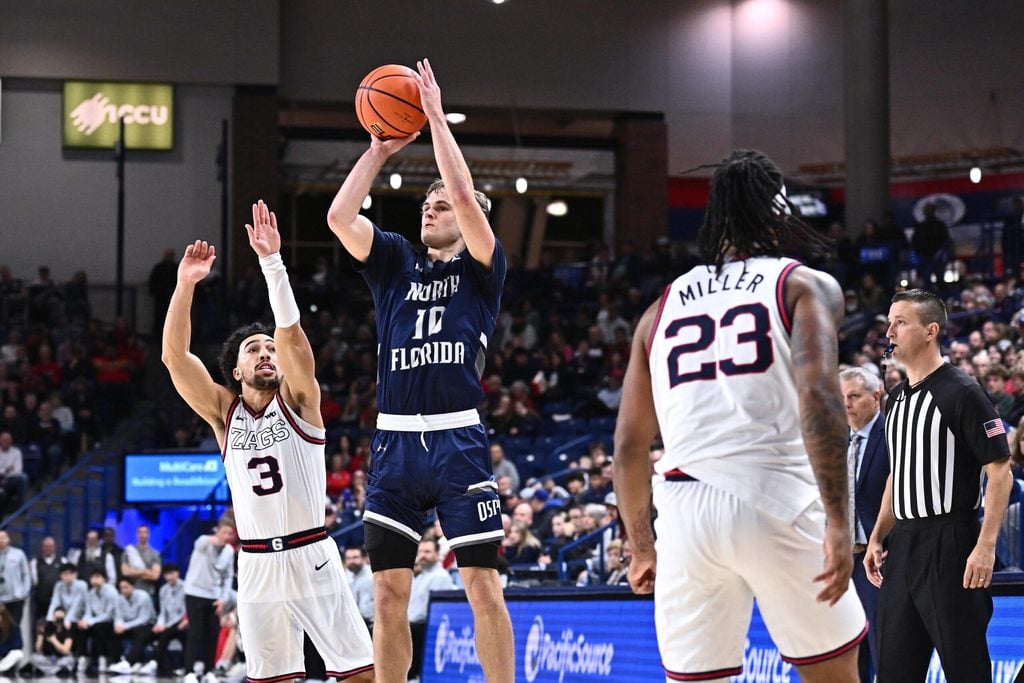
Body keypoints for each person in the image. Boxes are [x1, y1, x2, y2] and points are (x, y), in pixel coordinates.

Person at [614, 149, 866, 682]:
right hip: (774, 499)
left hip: (684, 514)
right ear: (778, 214)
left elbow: (630, 447)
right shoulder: (803, 285)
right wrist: (840, 523)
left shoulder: (658, 310)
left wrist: (642, 548)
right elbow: (820, 400)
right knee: (833, 672)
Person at [326, 59, 512, 683]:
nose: (430, 210)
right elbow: (340, 217)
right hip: (395, 441)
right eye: (426, 204)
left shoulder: (483, 268)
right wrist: (377, 151)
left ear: (468, 220)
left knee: (483, 585)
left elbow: (463, 192)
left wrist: (434, 116)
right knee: (387, 597)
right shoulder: (396, 263)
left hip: (458, 437)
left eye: (440, 205)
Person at [161, 201, 374, 683]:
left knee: (360, 672)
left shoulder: (300, 401)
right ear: (235, 371)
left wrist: (272, 263)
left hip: (310, 553)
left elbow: (293, 337)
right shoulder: (224, 412)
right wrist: (185, 284)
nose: (266, 353)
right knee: (271, 679)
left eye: (269, 349)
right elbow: (175, 358)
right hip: (255, 562)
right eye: (253, 349)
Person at [865, 289, 1015, 681]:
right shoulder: (896, 399)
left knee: (965, 667)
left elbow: (1001, 472)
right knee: (895, 669)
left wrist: (985, 545)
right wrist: (879, 535)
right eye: (889, 322)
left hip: (952, 540)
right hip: (904, 543)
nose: (890, 331)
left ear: (931, 330)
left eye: (900, 322)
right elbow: (898, 474)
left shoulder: (962, 391)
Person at [838, 367, 890, 683]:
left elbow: (899, 493)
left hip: (881, 559)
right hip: (846, 561)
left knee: (883, 649)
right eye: (841, 397)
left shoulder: (893, 436)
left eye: (854, 396)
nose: (846, 404)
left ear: (876, 396)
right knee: (850, 651)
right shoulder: (836, 440)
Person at [180, 523, 234, 680]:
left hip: (214, 597)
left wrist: (224, 598)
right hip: (195, 592)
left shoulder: (229, 551)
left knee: (212, 634)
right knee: (195, 633)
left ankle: (208, 670)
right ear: (217, 531)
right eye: (224, 532)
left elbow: (228, 576)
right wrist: (215, 540)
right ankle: (189, 671)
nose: (227, 536)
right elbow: (200, 543)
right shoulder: (204, 542)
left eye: (230, 534)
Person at [406, 538, 455, 680]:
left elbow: (437, 613)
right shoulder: (419, 577)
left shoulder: (440, 577)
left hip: (425, 628)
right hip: (414, 625)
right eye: (420, 552)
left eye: (427, 552)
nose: (422, 555)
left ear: (437, 554)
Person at [108, 577, 156, 675]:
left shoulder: (143, 596)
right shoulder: (119, 598)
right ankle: (117, 661)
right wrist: (118, 625)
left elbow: (144, 618)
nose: (123, 590)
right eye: (121, 588)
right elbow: (118, 616)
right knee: (111, 631)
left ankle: (130, 662)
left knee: (140, 633)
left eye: (126, 587)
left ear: (133, 587)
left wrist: (125, 626)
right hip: (128, 625)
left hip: (147, 624)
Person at [75, 568, 119, 675]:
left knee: (99, 628)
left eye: (98, 577)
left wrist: (91, 622)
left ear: (104, 579)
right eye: (93, 577)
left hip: (110, 622)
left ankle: (103, 658)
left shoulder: (111, 592)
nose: (95, 580)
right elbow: (88, 611)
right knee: (81, 627)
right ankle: (83, 657)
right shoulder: (91, 593)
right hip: (95, 621)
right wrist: (85, 621)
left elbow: (109, 615)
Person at [149, 563, 187, 675]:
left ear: (177, 573)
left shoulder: (185, 587)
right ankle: (159, 665)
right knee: (152, 632)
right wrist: (160, 624)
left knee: (169, 633)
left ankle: (183, 666)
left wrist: (166, 626)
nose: (169, 577)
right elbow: (163, 611)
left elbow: (184, 612)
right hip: (167, 623)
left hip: (182, 621)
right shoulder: (163, 589)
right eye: (166, 574)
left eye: (171, 573)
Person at [0, 531, 30, 662]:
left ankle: (15, 652)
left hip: (16, 598)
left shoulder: (19, 554)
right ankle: (3, 655)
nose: (1, 540)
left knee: (14, 625)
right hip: (1, 599)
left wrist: (24, 592)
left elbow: (26, 574)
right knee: (2, 627)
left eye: (3, 538)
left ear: (9, 539)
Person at [30, 536, 65, 622]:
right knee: (41, 625)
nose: (48, 548)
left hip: (59, 601)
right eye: (46, 546)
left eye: (50, 546)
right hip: (41, 602)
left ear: (55, 547)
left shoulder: (63, 561)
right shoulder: (34, 562)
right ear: (42, 547)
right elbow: (34, 581)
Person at [121, 524, 161, 599]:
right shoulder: (129, 551)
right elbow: (125, 572)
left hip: (148, 592)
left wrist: (133, 572)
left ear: (148, 535)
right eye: (140, 532)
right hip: (130, 592)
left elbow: (155, 576)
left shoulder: (155, 554)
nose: (142, 535)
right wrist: (145, 571)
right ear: (137, 534)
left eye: (144, 532)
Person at [343, 547, 375, 631]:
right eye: (348, 558)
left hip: (371, 624)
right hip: (356, 624)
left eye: (355, 557)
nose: (351, 561)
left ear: (364, 558)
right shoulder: (347, 577)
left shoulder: (372, 576)